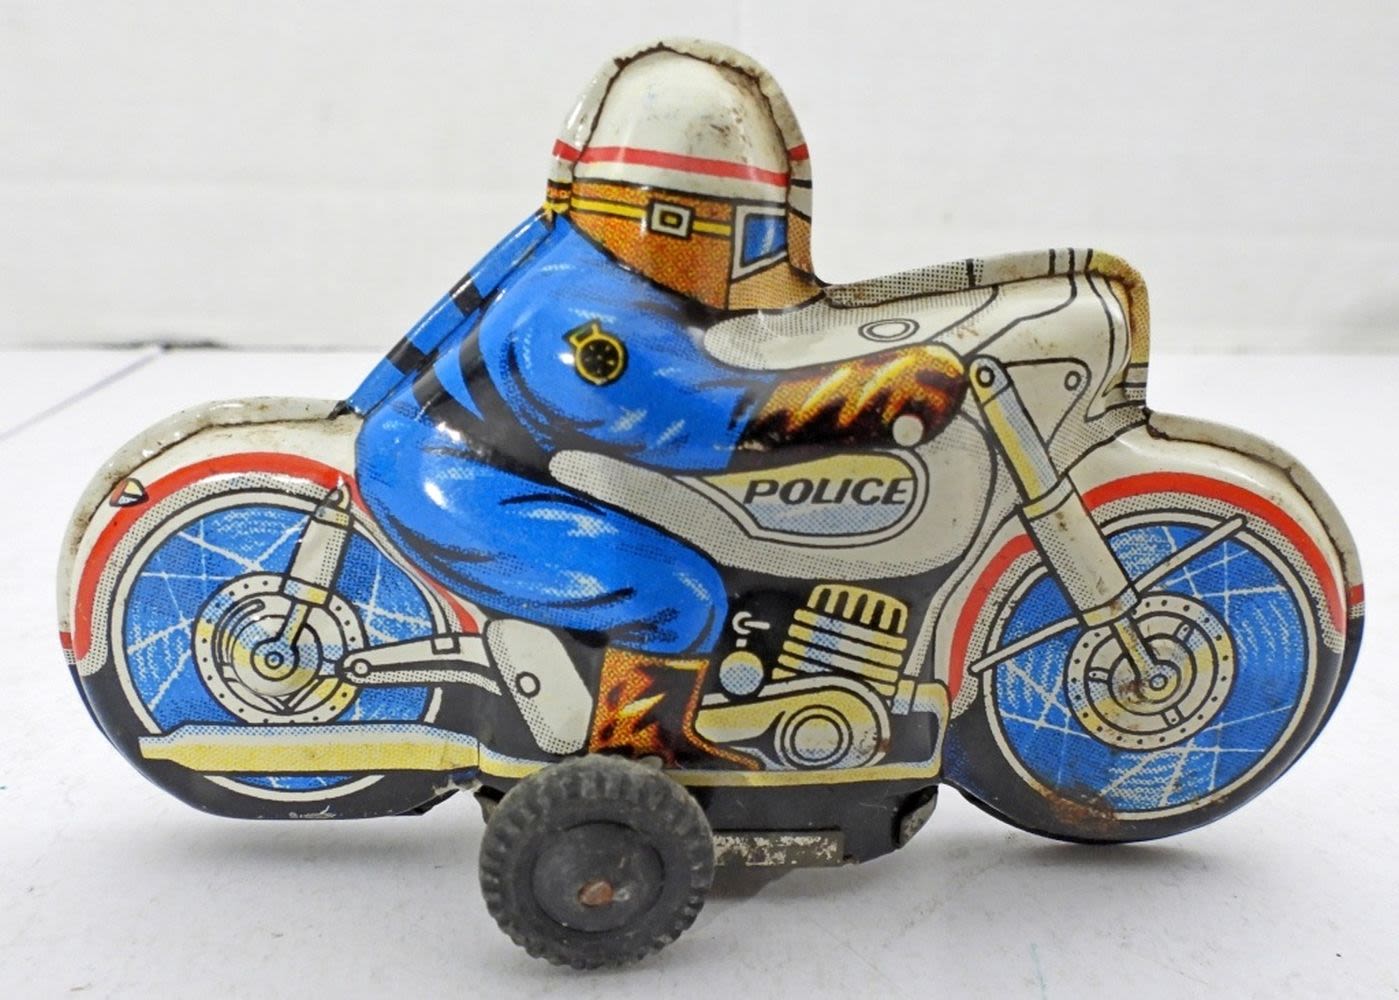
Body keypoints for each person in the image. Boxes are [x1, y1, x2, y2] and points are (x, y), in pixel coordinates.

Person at [355, 39, 964, 769]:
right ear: (677, 221)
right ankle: (639, 750)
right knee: (672, 593)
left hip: (474, 463)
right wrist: (860, 395)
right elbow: (686, 416)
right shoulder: (588, 312)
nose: (763, 260)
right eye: (754, 235)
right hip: (443, 477)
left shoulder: (610, 283)